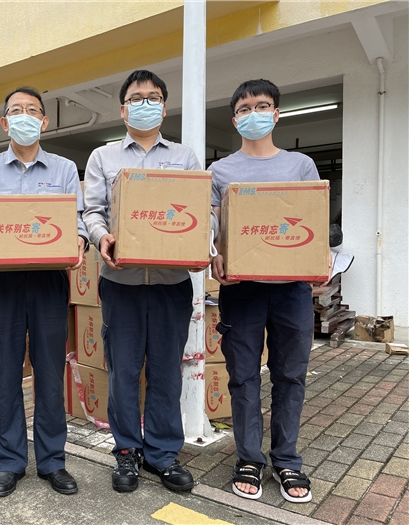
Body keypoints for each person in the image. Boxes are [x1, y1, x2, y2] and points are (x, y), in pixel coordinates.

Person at [83, 70, 214, 494]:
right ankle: (126, 451)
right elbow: (92, 211)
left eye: (153, 98)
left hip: (170, 283)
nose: (145, 104)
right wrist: (101, 236)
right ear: (123, 110)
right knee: (123, 371)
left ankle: (162, 454)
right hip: (120, 282)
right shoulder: (103, 157)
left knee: (165, 371)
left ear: (164, 107)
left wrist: (202, 242)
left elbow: (201, 213)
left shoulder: (184, 158)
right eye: (136, 98)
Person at [0, 87, 88, 497]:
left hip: (49, 281)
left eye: (32, 110)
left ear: (44, 121)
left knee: (50, 374)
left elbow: (78, 221)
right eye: (16, 110)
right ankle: (10, 461)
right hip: (4, 283)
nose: (24, 116)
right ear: (4, 122)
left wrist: (80, 242)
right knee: (6, 374)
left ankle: (52, 461)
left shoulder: (64, 169)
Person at [210, 79, 317, 504]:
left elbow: (311, 221)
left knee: (290, 374)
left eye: (262, 105)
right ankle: (249, 458)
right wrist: (215, 255)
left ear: (276, 114)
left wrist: (319, 260)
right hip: (242, 290)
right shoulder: (220, 171)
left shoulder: (300, 166)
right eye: (244, 108)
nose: (252, 113)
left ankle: (287, 459)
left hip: (292, 289)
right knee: (243, 377)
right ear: (234, 119)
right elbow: (213, 229)